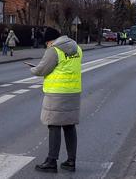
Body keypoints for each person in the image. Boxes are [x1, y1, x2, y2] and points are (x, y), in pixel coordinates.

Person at [30, 27, 82, 174]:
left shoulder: (54, 50)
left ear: (50, 41)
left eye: (47, 43)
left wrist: (32, 70)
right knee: (69, 126)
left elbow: (42, 69)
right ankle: (71, 161)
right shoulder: (77, 48)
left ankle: (51, 161)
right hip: (73, 91)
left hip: (57, 93)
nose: (47, 45)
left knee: (54, 125)